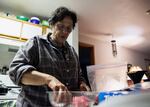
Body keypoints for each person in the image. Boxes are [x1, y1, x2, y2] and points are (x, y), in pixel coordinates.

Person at [8, 7, 90, 107]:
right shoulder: (35, 43)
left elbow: (79, 76)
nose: (65, 31)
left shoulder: (72, 52)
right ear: (52, 25)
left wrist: (82, 84)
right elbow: (15, 71)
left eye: (69, 28)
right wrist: (49, 79)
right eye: (60, 26)